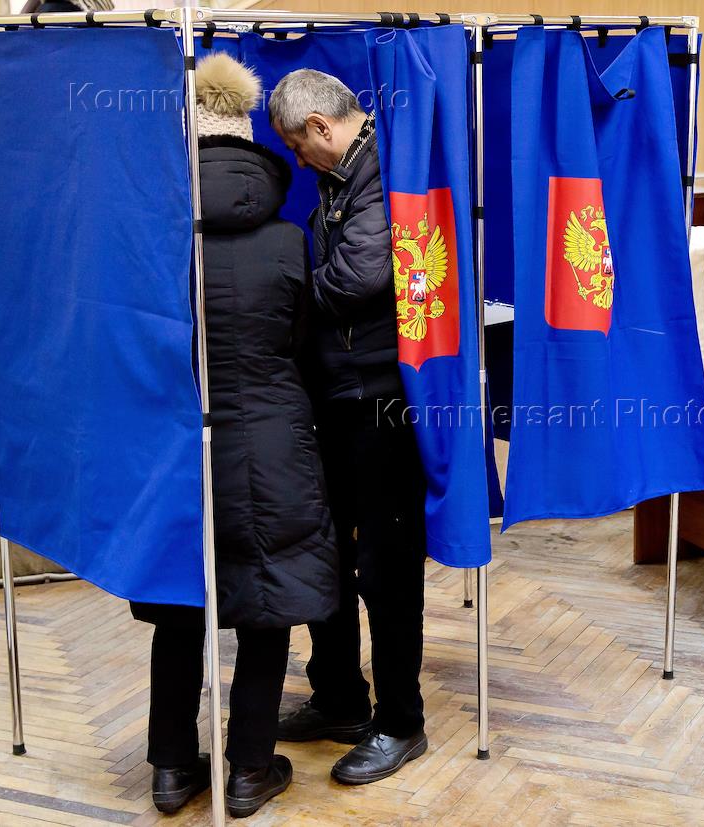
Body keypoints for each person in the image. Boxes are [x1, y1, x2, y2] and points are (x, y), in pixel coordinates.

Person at [130, 53, 339, 817]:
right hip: (272, 441)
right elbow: (304, 345)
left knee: (180, 602)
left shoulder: (158, 241)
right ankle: (250, 768)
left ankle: (170, 767)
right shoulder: (286, 241)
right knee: (265, 602)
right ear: (250, 142)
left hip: (176, 443)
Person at [267, 69, 430, 784]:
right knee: (325, 553)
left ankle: (400, 722)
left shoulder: (387, 170)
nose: (298, 161)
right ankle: (338, 698)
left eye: (297, 146)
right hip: (338, 393)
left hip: (382, 399)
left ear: (320, 127)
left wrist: (286, 303)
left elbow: (361, 276)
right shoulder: (345, 176)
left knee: (386, 567)